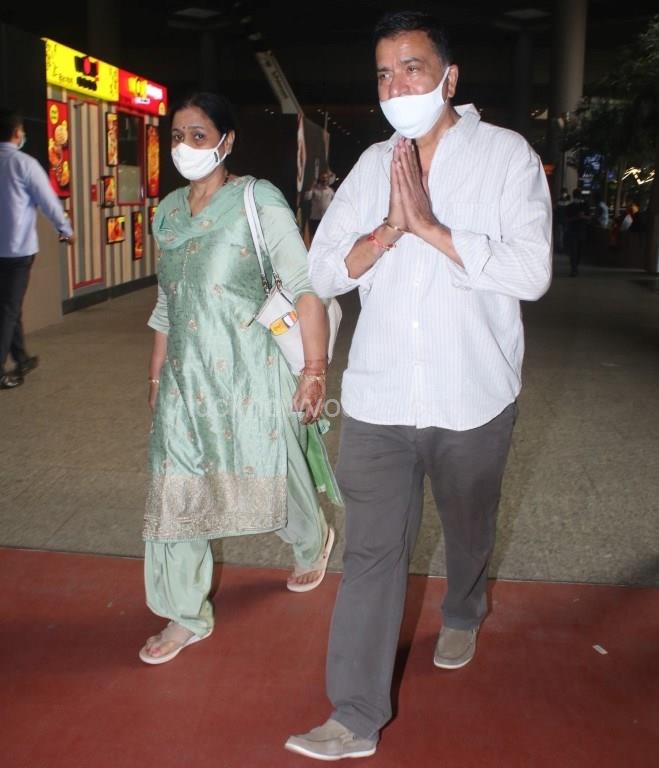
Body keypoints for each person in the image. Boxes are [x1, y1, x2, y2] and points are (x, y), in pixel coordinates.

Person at [285, 10, 552, 761]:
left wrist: (431, 227)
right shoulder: (372, 165)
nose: (397, 86)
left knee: (467, 528)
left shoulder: (505, 156)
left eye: (412, 68)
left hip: (473, 396)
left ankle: (463, 607)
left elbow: (531, 273)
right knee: (372, 554)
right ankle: (354, 714)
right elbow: (323, 271)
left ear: (448, 77)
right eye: (384, 74)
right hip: (379, 397)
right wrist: (388, 231)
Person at [140, 92, 341, 665]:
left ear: (226, 142)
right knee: (176, 489)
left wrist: (313, 371)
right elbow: (167, 302)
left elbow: (304, 286)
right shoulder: (168, 213)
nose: (185, 147)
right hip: (184, 383)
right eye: (177, 136)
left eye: (198, 136)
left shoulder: (257, 199)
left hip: (250, 374)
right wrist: (156, 377)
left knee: (271, 472)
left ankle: (310, 539)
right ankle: (185, 613)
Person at [0, 107, 73, 390]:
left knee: (9, 304)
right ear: (17, 132)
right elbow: (48, 201)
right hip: (17, 250)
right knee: (8, 308)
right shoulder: (24, 164)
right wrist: (65, 230)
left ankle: (21, 357)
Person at [304, 170, 335, 239]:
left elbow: (335, 203)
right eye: (323, 178)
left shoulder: (330, 191)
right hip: (315, 219)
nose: (324, 179)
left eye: (326, 178)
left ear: (328, 179)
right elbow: (307, 197)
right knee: (313, 238)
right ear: (320, 179)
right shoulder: (315, 189)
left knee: (324, 238)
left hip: (326, 219)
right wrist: (311, 187)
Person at [565, 189, 589, 276]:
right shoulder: (570, 206)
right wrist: (577, 217)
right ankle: (574, 269)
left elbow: (589, 217)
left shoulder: (584, 205)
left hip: (580, 231)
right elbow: (567, 219)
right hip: (574, 231)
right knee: (574, 251)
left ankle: (575, 266)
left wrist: (583, 217)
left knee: (579, 251)